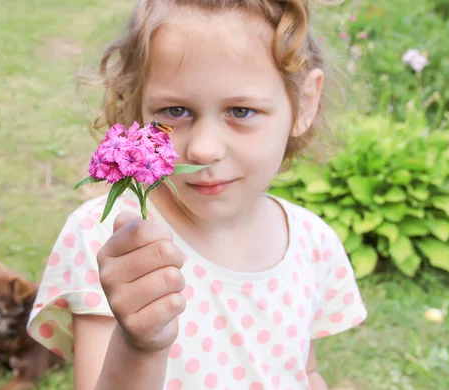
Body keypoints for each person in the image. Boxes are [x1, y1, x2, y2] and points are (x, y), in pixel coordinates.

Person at [27, 1, 368, 389]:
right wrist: (140, 345)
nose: (204, 149)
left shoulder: (312, 243)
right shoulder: (108, 240)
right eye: (175, 110)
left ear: (304, 104)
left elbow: (302, 372)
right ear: (136, 104)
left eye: (240, 111)